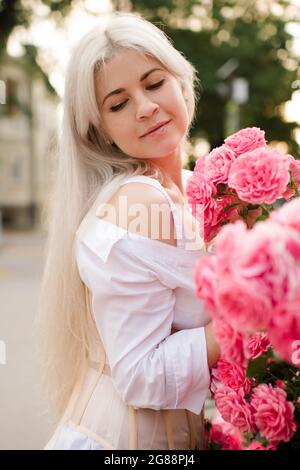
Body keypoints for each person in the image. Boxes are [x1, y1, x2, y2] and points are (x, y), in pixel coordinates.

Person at [37, 11, 220, 451]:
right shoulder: (138, 201)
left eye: (154, 83)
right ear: (100, 132)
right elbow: (140, 376)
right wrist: (249, 320)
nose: (146, 107)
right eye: (118, 104)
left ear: (180, 80)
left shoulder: (197, 187)